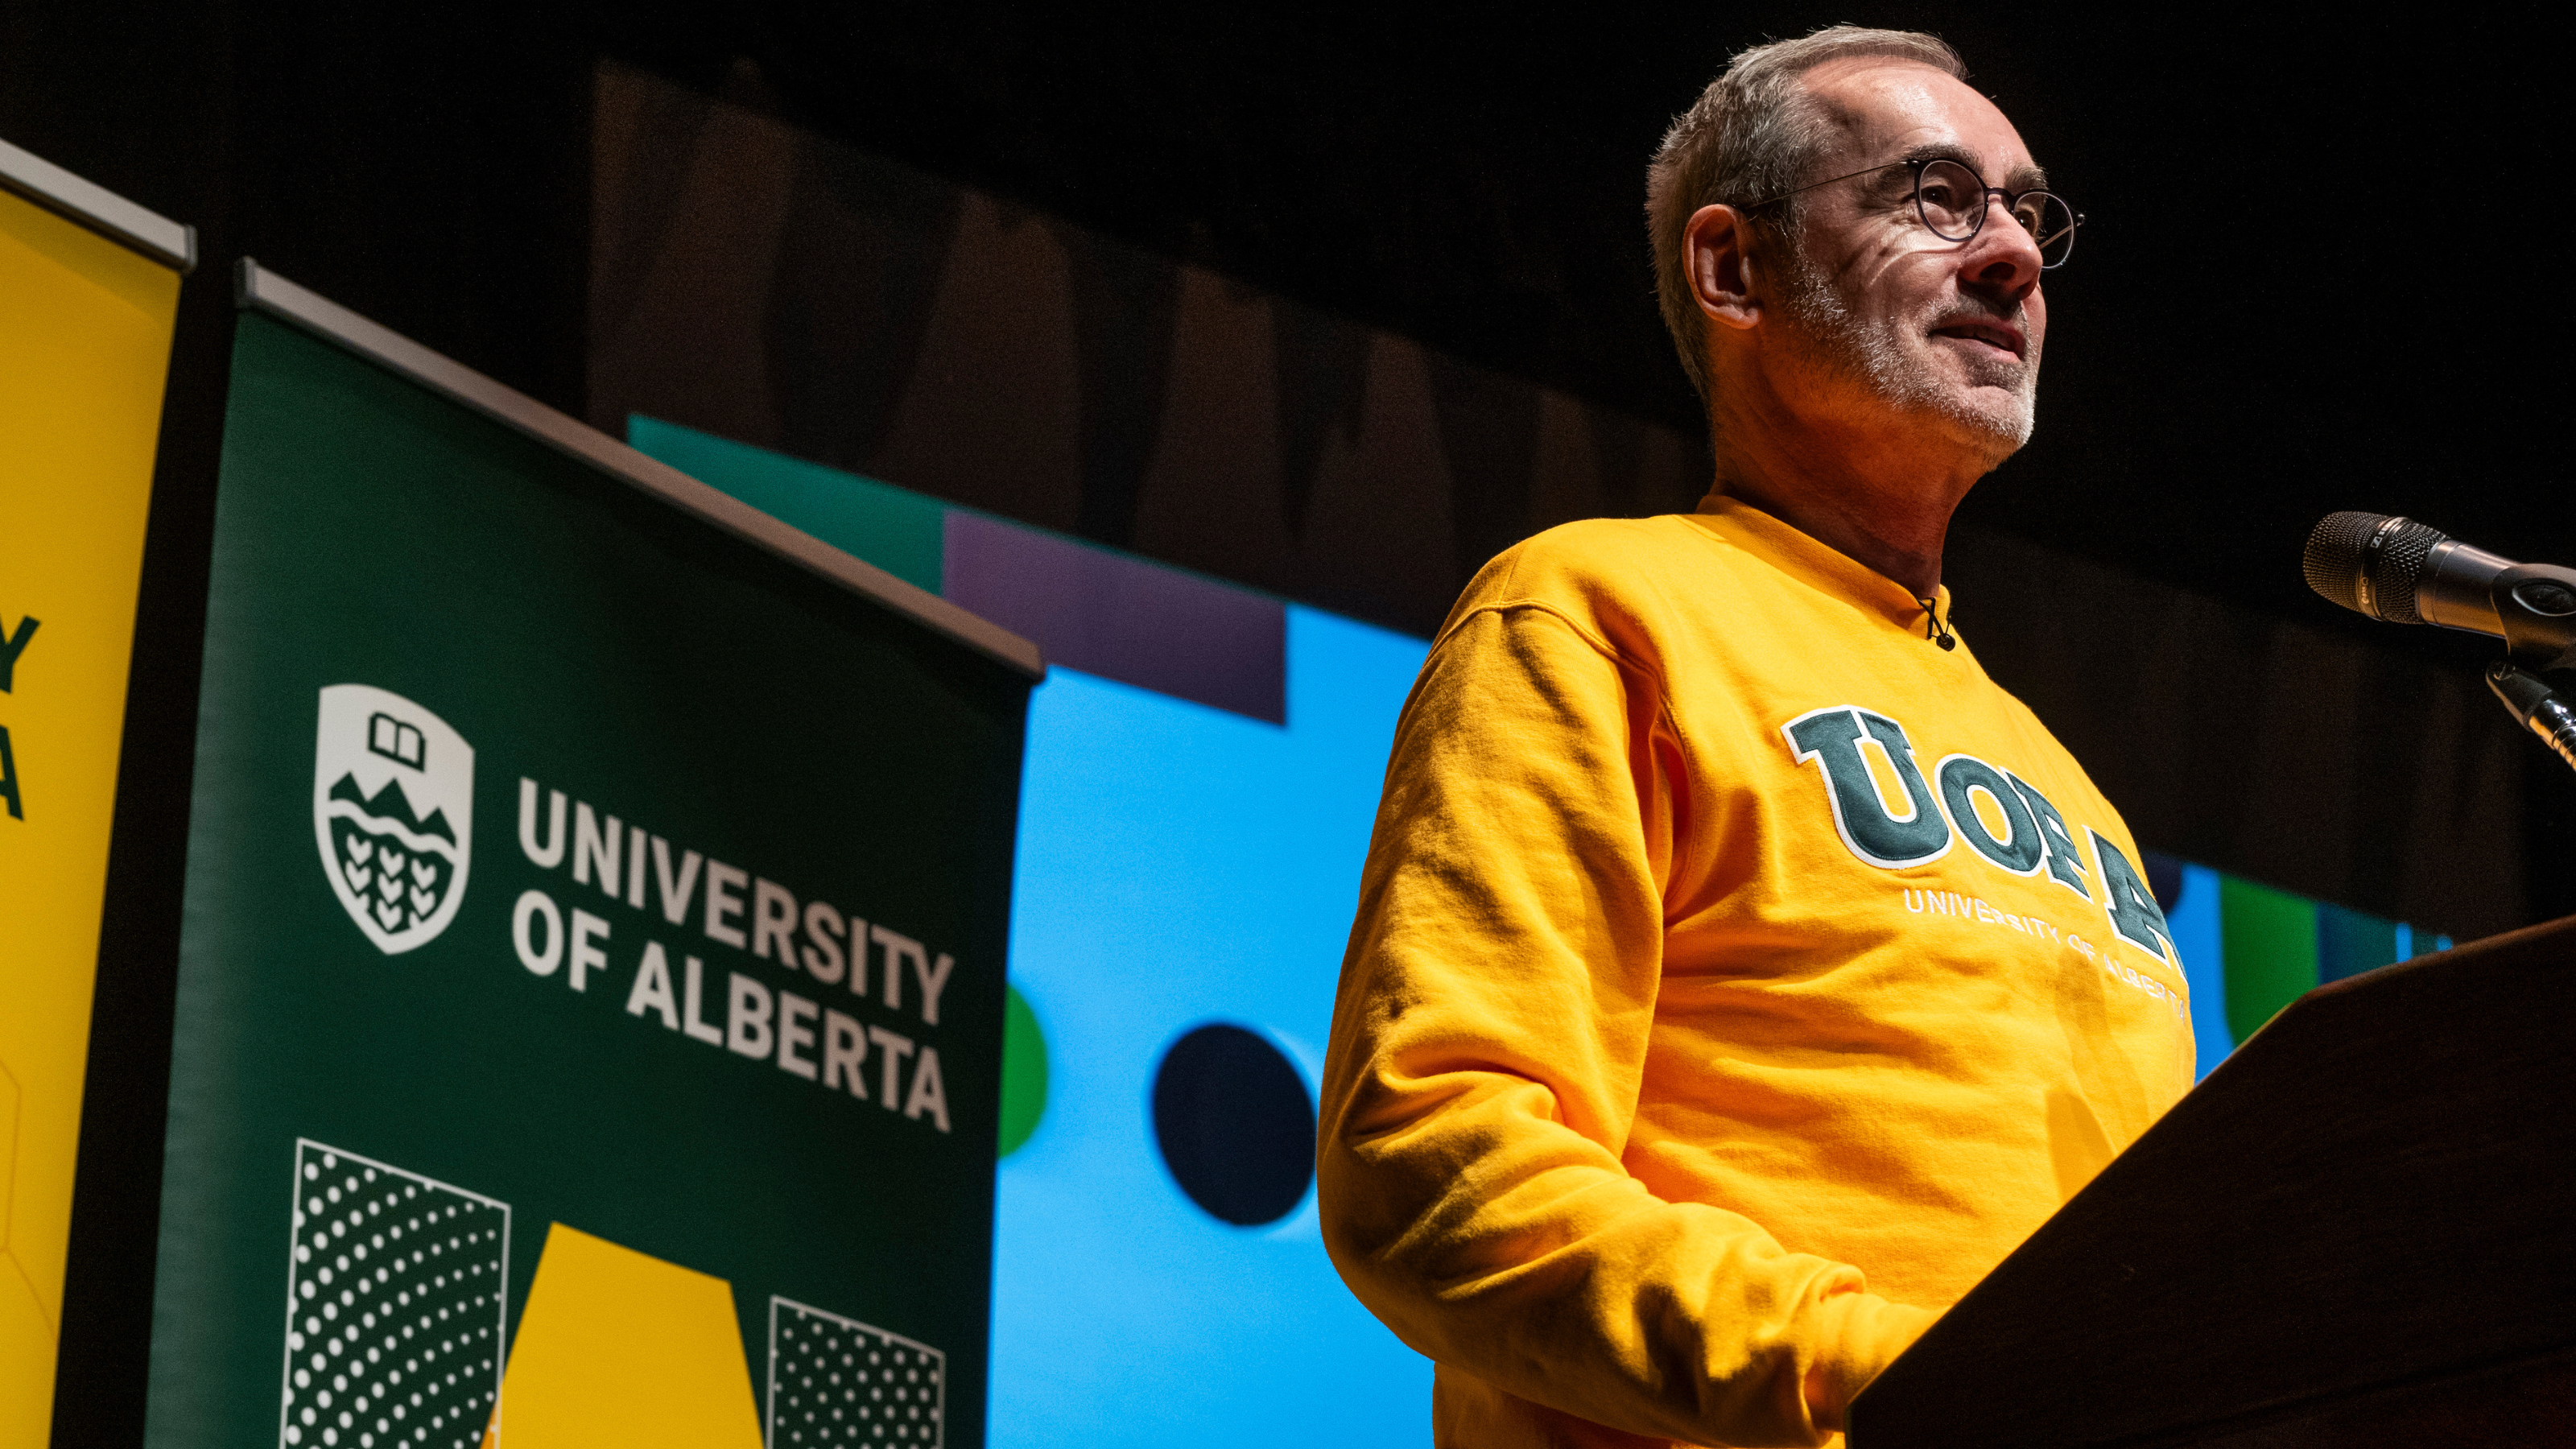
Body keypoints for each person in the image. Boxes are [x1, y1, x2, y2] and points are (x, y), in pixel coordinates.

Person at [1316, 25, 2194, 1449]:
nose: (2015, 257)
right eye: (1936, 197)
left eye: (2030, 212)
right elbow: (1434, 1163)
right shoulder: (1599, 611)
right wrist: (1900, 1388)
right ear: (1734, 269)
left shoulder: (2064, 777)